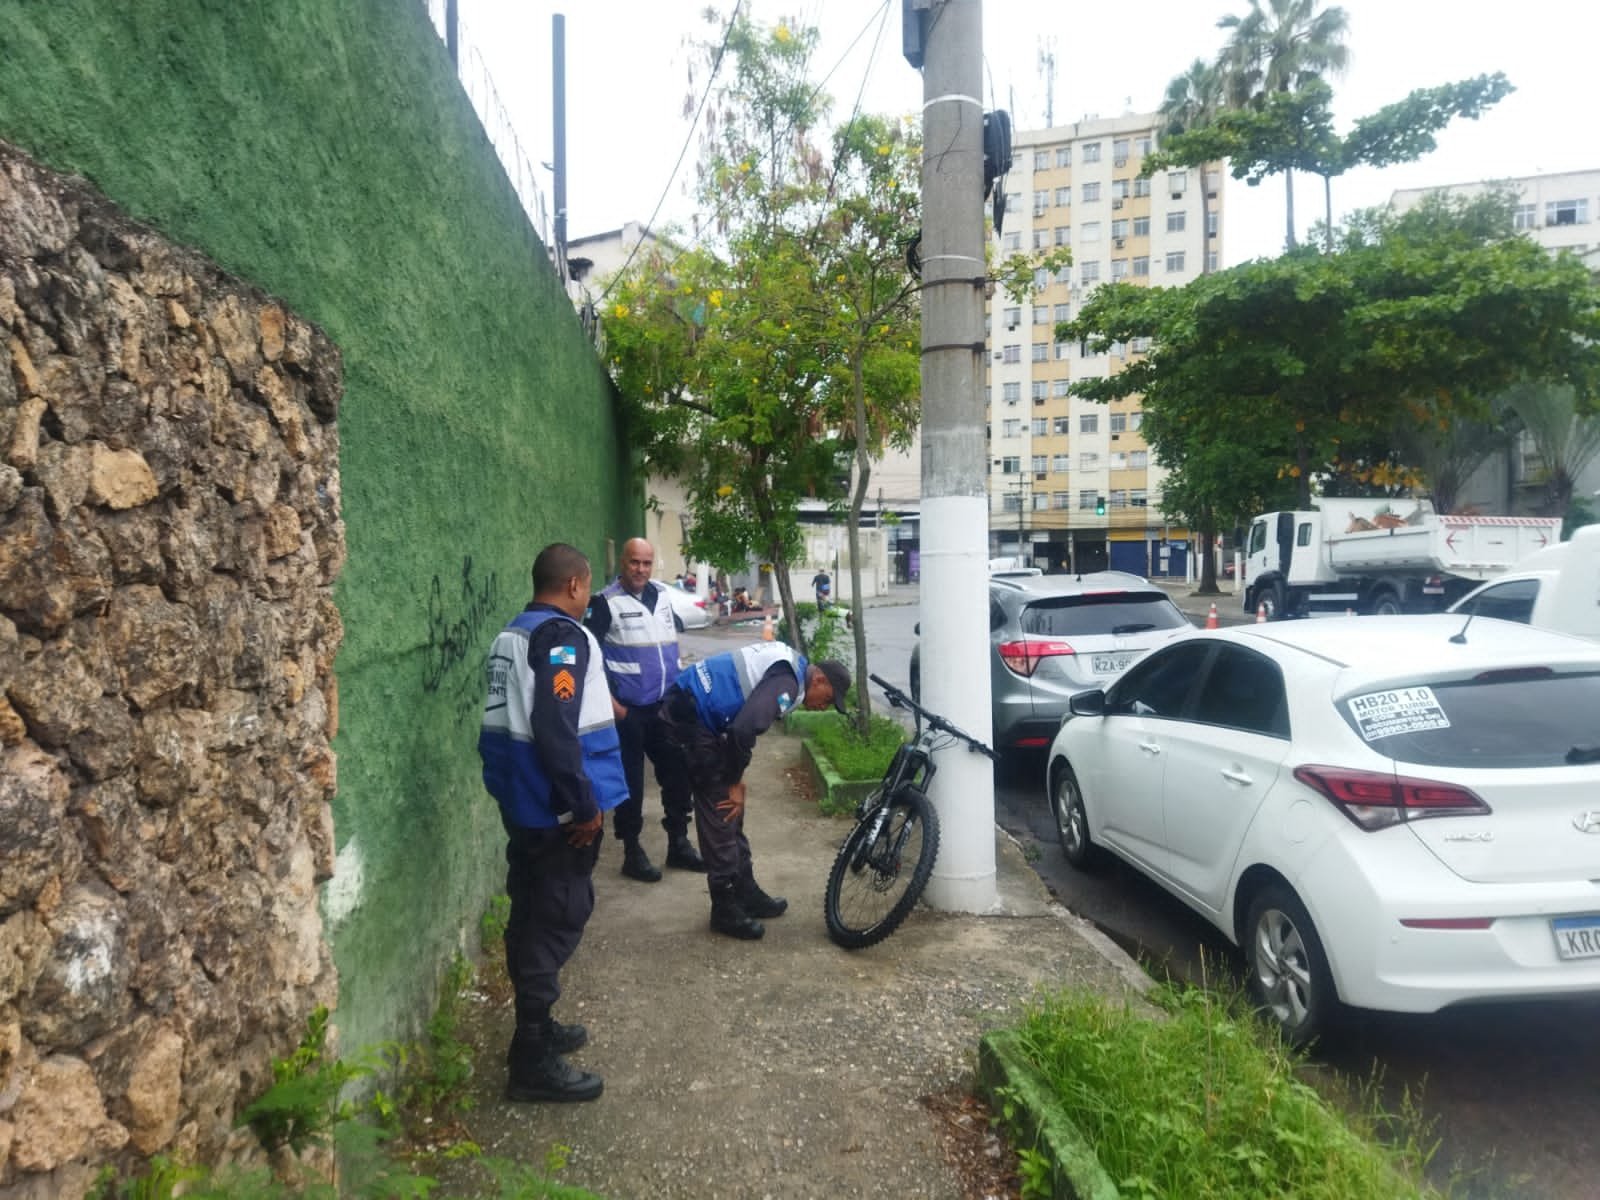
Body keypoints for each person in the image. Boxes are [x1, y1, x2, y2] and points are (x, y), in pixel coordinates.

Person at [478, 543, 628, 1103]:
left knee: (532, 911)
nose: (587, 597)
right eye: (587, 588)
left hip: (524, 802)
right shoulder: (562, 638)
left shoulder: (510, 635)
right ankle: (531, 1057)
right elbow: (556, 722)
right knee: (557, 915)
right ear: (573, 586)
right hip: (556, 810)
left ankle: (537, 1030)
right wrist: (581, 807)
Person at [661, 643, 851, 940]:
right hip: (690, 717)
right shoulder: (788, 681)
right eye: (827, 699)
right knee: (722, 807)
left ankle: (745, 891)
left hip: (701, 712)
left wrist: (736, 779)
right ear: (819, 681)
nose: (823, 707)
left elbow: (743, 728)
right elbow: (743, 730)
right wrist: (735, 782)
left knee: (733, 809)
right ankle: (723, 907)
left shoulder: (793, 667)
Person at [584, 538, 704, 882]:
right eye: (635, 562)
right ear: (623, 562)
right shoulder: (605, 603)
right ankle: (632, 850)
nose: (640, 569)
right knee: (630, 783)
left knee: (678, 774)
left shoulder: (663, 596)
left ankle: (678, 842)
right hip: (630, 713)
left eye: (647, 563)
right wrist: (613, 705)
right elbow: (589, 658)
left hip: (665, 707)